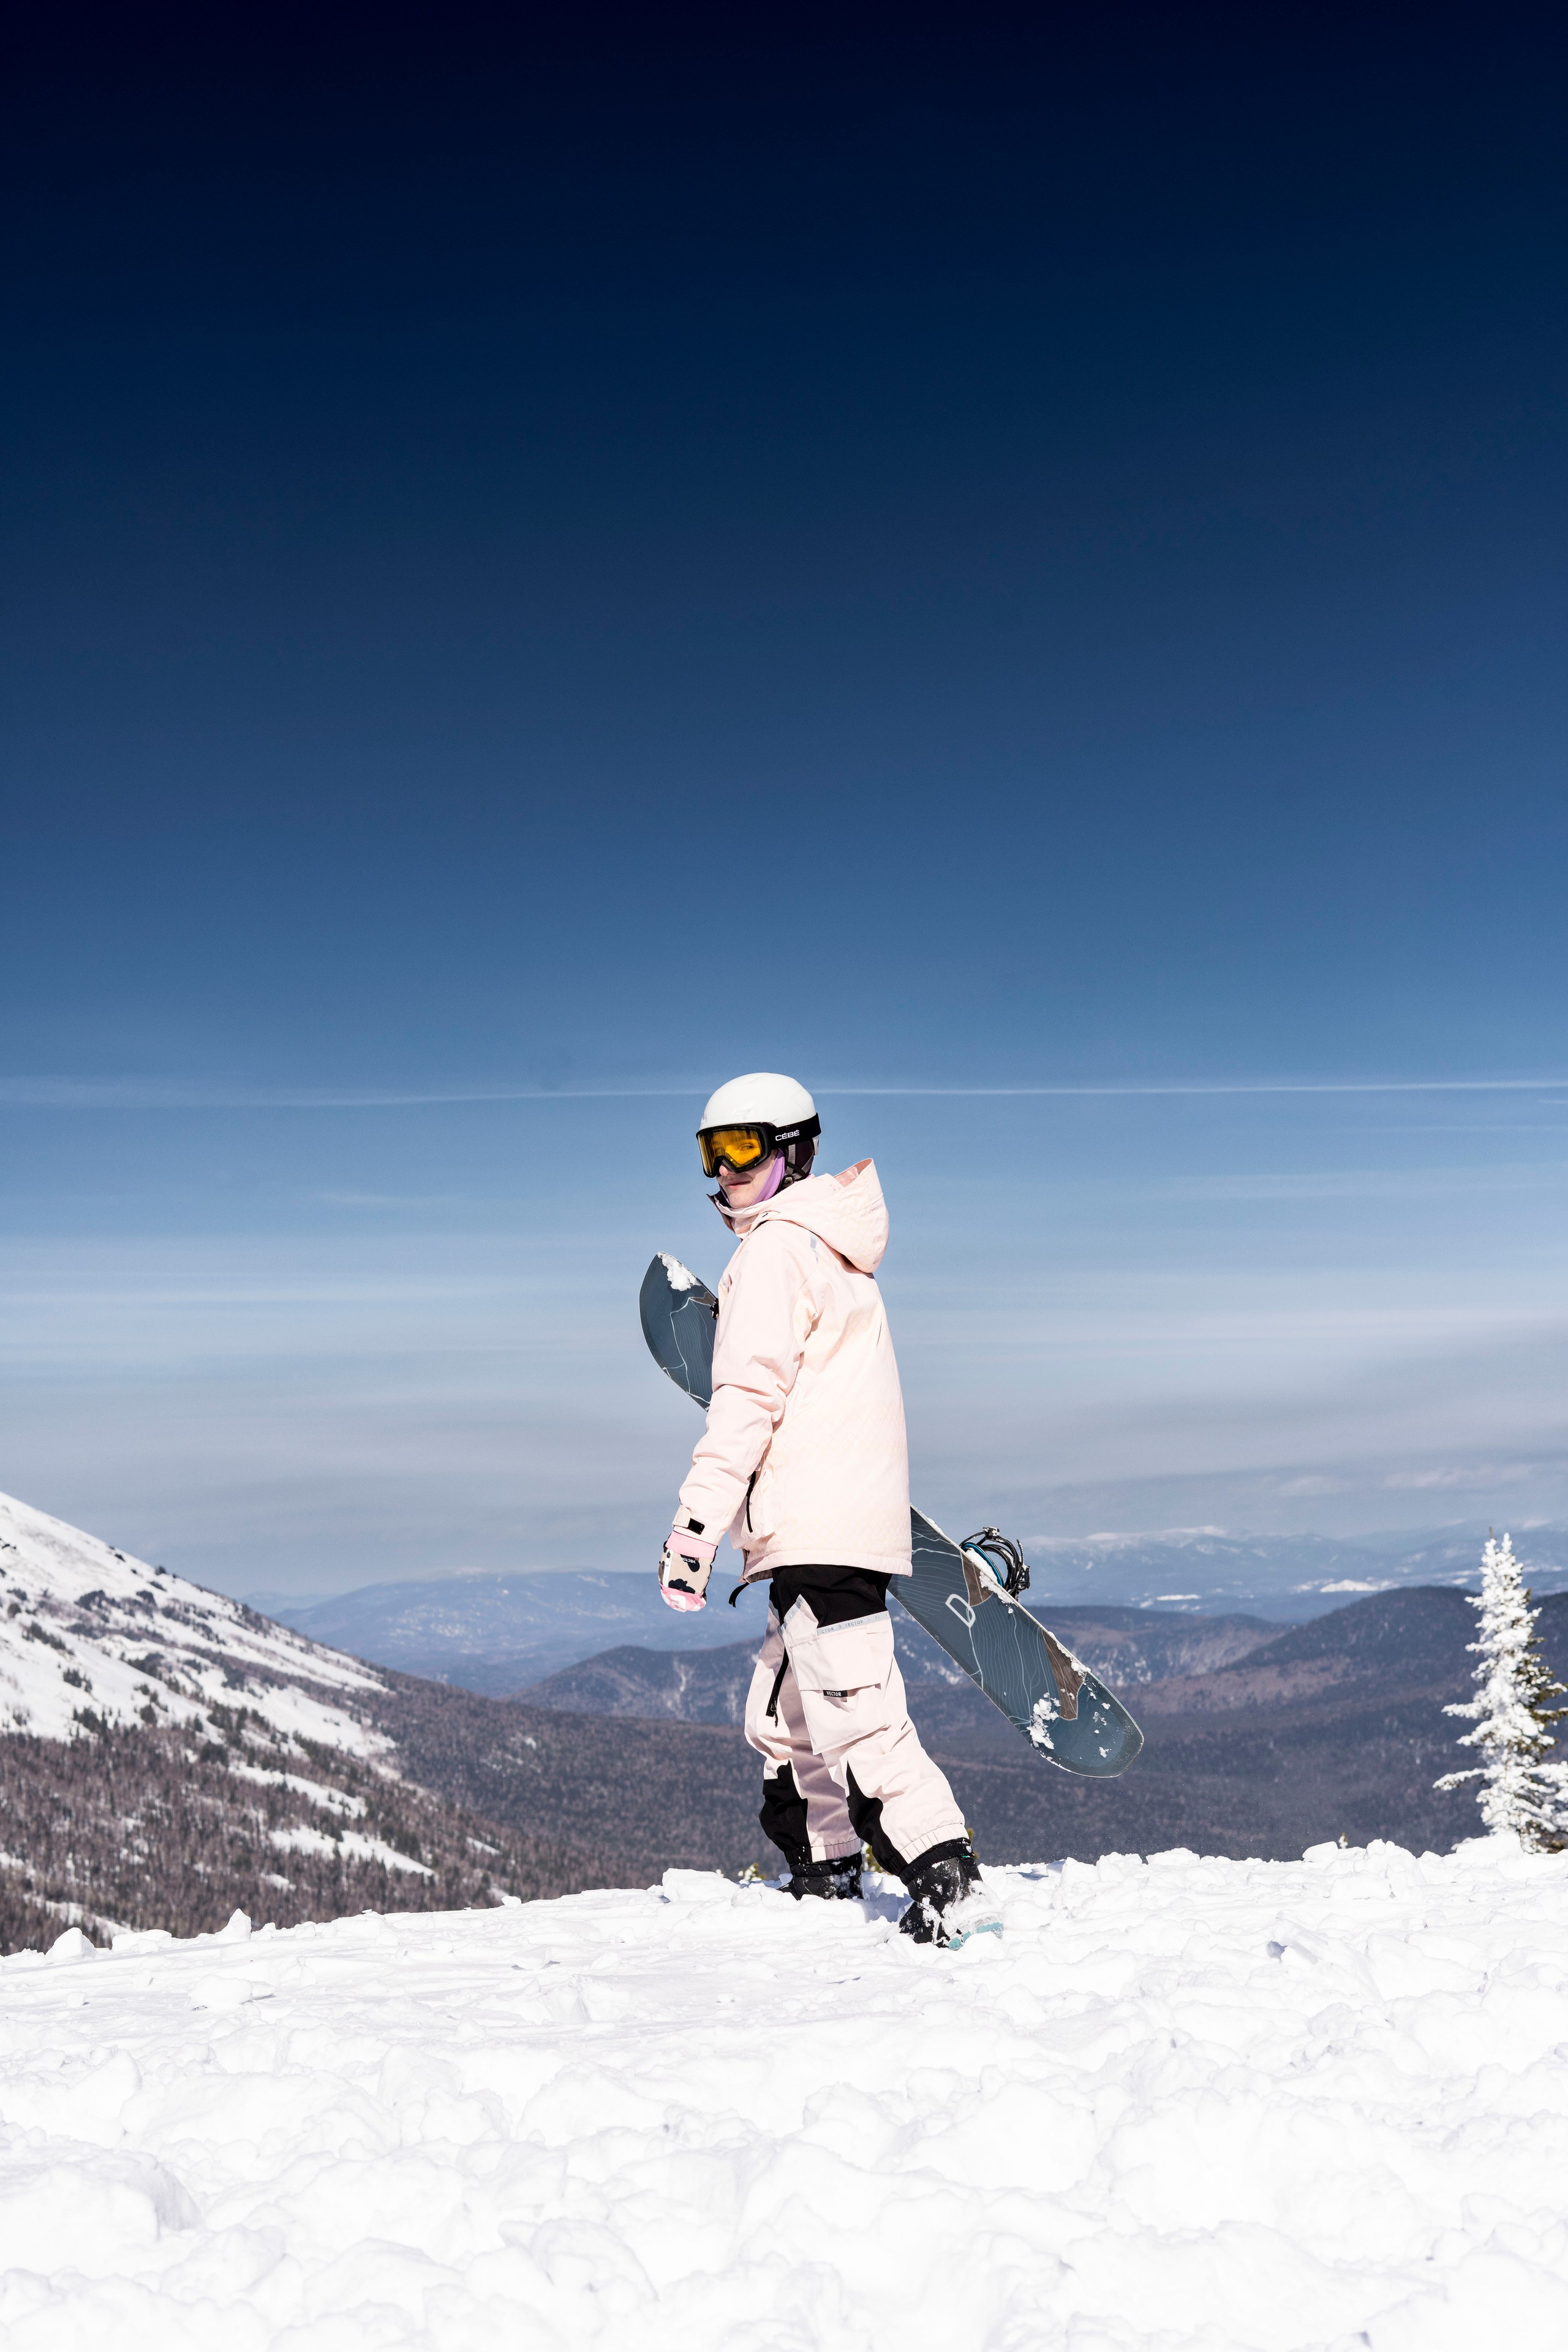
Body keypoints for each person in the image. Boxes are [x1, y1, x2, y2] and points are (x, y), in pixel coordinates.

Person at [657, 1071, 984, 1944]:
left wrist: (694, 1532)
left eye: (744, 1149)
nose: (725, 1172)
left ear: (793, 1152)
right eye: (711, 1152)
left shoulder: (775, 1252)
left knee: (853, 1708)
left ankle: (943, 1871)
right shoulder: (831, 1252)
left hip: (818, 1521)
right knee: (787, 1711)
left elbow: (746, 1402)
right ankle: (828, 1863)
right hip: (830, 1521)